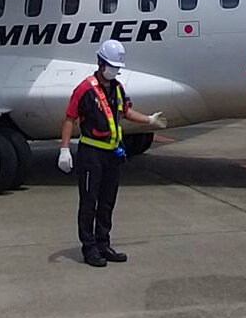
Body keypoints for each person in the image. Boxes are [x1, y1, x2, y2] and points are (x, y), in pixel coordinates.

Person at [58, 39, 167, 268]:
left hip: (112, 155)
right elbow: (70, 118)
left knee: (107, 202)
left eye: (117, 67)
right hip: (91, 154)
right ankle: (89, 248)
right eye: (111, 65)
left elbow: (125, 112)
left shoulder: (117, 88)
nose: (114, 70)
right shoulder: (84, 89)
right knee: (89, 203)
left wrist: (149, 120)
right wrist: (65, 149)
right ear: (100, 62)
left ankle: (103, 244)